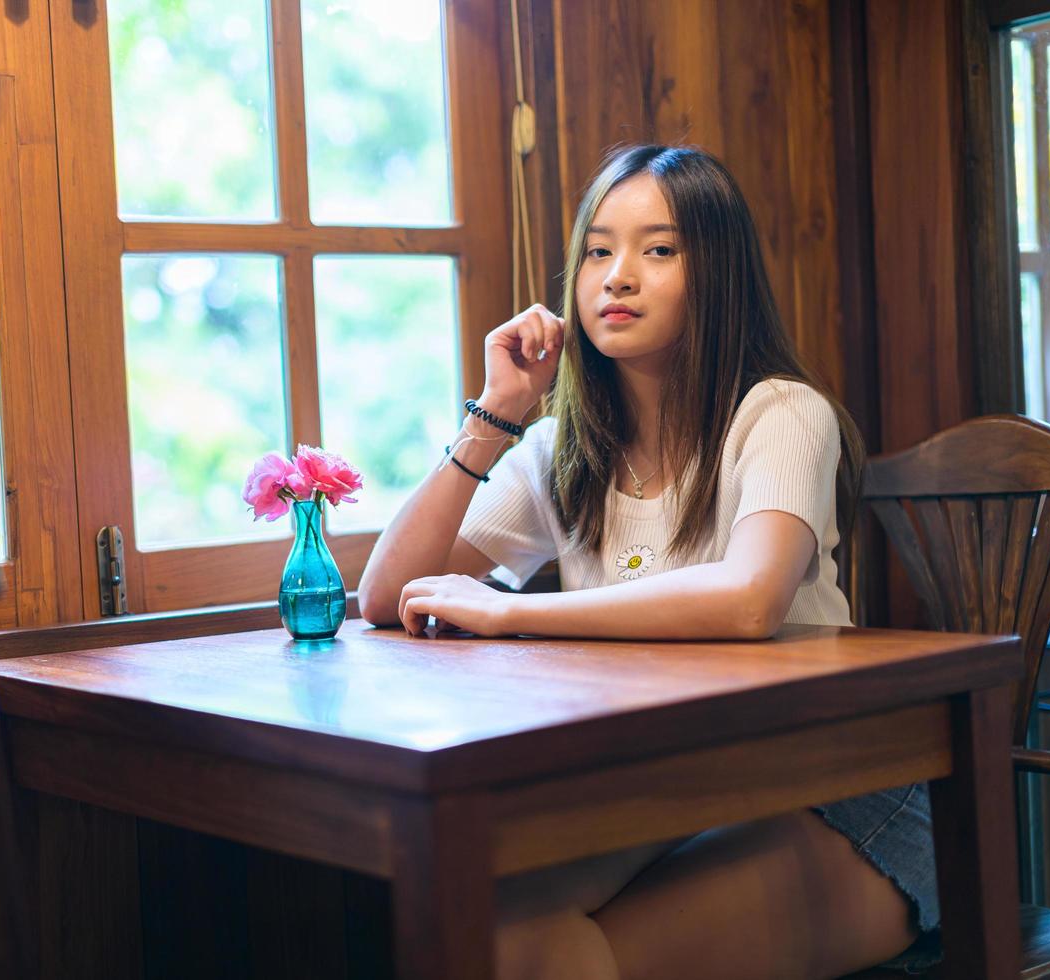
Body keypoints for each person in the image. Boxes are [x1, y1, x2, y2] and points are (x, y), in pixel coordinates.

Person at [357, 144, 942, 978]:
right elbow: (384, 596)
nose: (616, 276)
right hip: (662, 786)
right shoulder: (563, 450)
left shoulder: (781, 413)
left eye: (658, 250)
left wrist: (509, 609)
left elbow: (748, 601)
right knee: (476, 918)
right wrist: (496, 413)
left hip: (835, 792)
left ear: (719, 273)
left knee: (526, 948)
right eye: (598, 250)